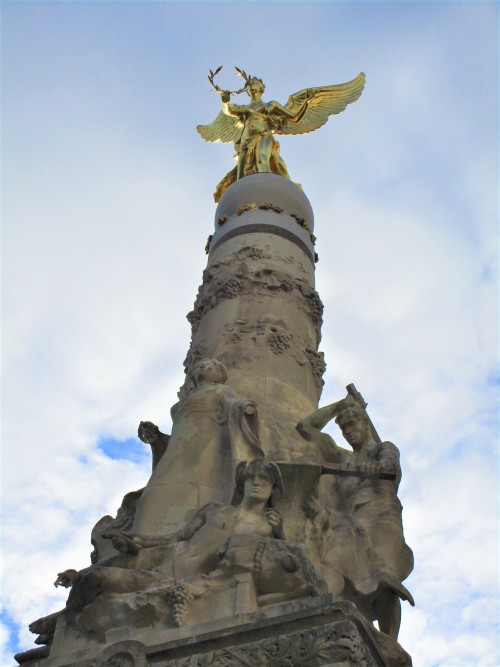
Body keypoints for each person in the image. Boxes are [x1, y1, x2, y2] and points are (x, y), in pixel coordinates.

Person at [297, 395, 414, 639]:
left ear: (365, 425)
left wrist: (378, 467)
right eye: (344, 428)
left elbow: (391, 466)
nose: (348, 432)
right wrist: (341, 404)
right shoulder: (343, 459)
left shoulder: (383, 448)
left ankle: (390, 642)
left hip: (382, 518)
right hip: (350, 525)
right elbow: (305, 428)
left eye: (352, 425)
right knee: (337, 576)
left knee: (384, 581)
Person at [132, 358, 264, 536]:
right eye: (198, 366)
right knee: (153, 494)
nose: (202, 367)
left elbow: (235, 404)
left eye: (209, 365)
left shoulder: (221, 391)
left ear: (219, 375)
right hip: (177, 454)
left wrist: (245, 408)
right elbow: (179, 435)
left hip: (205, 450)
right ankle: (145, 537)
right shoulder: (177, 407)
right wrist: (158, 439)